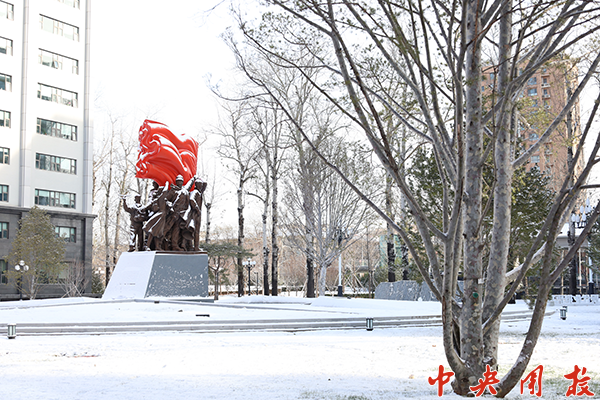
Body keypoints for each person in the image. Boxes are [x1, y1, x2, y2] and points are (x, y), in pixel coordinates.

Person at [184, 177, 207, 251]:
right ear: (196, 185)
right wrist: (197, 208)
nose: (201, 186)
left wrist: (199, 178)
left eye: (201, 185)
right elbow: (191, 199)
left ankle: (193, 246)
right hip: (194, 213)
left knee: (195, 230)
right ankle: (195, 246)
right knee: (195, 230)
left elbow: (205, 184)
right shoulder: (195, 192)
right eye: (200, 184)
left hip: (197, 213)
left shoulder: (199, 192)